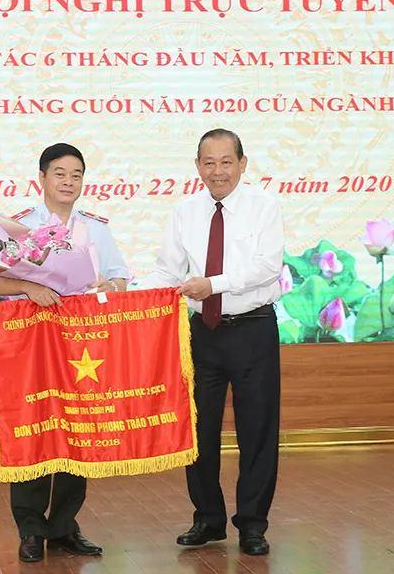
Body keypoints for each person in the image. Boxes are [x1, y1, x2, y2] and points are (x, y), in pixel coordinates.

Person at [0, 143, 129, 563]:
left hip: (82, 346)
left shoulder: (95, 229)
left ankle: (64, 526)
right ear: (42, 178)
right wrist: (28, 286)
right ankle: (30, 528)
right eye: (60, 173)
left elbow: (120, 278)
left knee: (77, 430)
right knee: (33, 429)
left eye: (76, 175)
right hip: (30, 345)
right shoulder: (19, 226)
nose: (68, 181)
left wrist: (110, 286)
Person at [145, 129, 284, 556]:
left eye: (226, 162)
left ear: (243, 164)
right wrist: (126, 296)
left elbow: (267, 267)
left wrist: (213, 284)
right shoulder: (184, 211)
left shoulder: (264, 206)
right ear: (197, 166)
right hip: (202, 334)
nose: (217, 171)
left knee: (257, 432)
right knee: (198, 431)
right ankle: (207, 519)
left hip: (253, 330)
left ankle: (253, 525)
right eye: (209, 162)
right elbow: (167, 271)